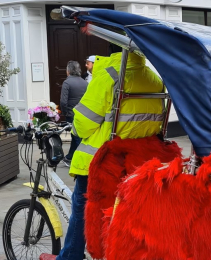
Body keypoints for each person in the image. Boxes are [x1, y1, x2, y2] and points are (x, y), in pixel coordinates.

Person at [47, 52, 165, 260]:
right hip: (139, 159)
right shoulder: (153, 78)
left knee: (83, 210)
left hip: (102, 161)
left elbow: (83, 123)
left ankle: (71, 257)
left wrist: (74, 130)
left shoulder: (109, 75)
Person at [60, 61, 89, 166]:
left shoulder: (67, 83)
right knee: (75, 136)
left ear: (68, 71)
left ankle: (81, 161)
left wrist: (65, 113)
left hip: (72, 114)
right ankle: (69, 157)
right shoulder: (85, 83)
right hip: (83, 114)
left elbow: (63, 101)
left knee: (76, 138)